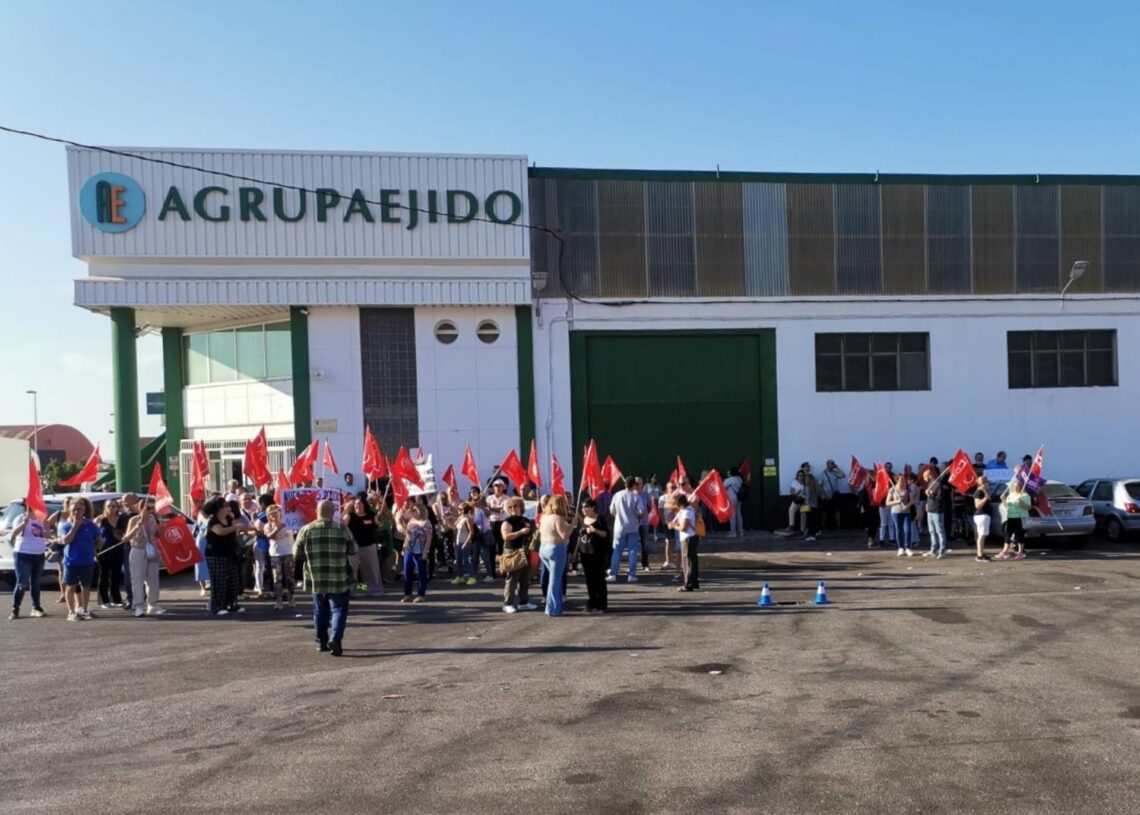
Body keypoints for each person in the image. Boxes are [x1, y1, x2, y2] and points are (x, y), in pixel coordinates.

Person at [294, 499, 357, 656]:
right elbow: (354, 549)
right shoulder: (342, 529)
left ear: (317, 511)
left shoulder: (306, 530)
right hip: (339, 577)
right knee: (339, 609)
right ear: (334, 512)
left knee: (319, 612)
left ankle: (321, 642)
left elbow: (296, 554)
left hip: (316, 578)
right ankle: (335, 638)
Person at [59, 497, 99, 622]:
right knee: (70, 586)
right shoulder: (66, 525)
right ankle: (71, 612)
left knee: (86, 586)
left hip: (87, 561)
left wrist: (95, 547)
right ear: (70, 508)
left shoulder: (90, 524)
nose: (78, 509)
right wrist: (75, 526)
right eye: (75, 506)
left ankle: (84, 609)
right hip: (71, 561)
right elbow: (65, 541)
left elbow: (98, 540)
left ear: (85, 508)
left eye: (81, 505)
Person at [204, 498, 245, 616]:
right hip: (215, 554)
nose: (229, 508)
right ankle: (217, 606)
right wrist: (236, 527)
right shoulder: (213, 520)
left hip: (230, 553)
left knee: (233, 579)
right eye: (226, 506)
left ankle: (231, 604)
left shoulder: (229, 518)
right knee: (219, 580)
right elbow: (220, 531)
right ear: (220, 508)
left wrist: (240, 528)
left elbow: (236, 529)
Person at [125, 500, 166, 617]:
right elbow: (126, 538)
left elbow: (156, 535)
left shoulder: (153, 519)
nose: (150, 510)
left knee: (153, 579)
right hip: (138, 549)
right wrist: (138, 526)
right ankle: (138, 606)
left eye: (152, 508)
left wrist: (160, 531)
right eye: (147, 508)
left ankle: (153, 604)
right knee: (137, 579)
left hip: (151, 550)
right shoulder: (134, 520)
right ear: (140, 508)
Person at [538, 494, 573, 617]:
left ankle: (555, 606)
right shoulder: (558, 518)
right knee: (555, 580)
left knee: (554, 579)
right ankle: (553, 609)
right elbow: (564, 535)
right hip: (556, 549)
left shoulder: (545, 517)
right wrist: (572, 525)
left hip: (544, 548)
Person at [9, 510, 48, 619]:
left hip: (39, 554)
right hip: (23, 554)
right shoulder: (21, 517)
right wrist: (24, 523)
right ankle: (15, 608)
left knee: (35, 583)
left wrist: (46, 524)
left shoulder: (41, 518)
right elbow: (13, 534)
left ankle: (36, 607)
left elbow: (47, 535)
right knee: (22, 583)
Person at [500, 497, 536, 613]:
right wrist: (520, 532)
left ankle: (523, 602)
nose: (512, 509)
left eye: (515, 506)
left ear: (521, 507)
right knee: (512, 579)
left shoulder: (525, 519)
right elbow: (506, 536)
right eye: (510, 507)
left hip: (524, 550)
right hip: (512, 551)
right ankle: (507, 603)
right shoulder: (508, 521)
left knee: (524, 578)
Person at [344, 492, 383, 597]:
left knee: (372, 568)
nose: (358, 506)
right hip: (353, 547)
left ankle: (375, 589)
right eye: (356, 504)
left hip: (369, 546)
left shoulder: (371, 514)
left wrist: (379, 518)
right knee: (352, 569)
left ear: (364, 505)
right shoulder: (350, 516)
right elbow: (342, 526)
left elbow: (379, 523)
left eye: (360, 504)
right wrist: (344, 511)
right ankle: (351, 590)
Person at [607, 477, 644, 583]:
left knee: (617, 550)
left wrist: (618, 517)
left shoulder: (617, 495)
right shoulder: (636, 496)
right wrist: (636, 516)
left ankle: (613, 574)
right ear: (634, 485)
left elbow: (611, 510)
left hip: (619, 526)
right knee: (632, 551)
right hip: (633, 526)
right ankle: (631, 575)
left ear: (625, 484)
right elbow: (641, 512)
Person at [577, 498, 611, 612]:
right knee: (589, 579)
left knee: (599, 578)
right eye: (582, 507)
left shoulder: (600, 519)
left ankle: (602, 603)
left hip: (598, 553)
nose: (584, 509)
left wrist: (595, 531)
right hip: (585, 553)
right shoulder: (582, 520)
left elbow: (605, 534)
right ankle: (592, 602)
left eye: (586, 507)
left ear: (592, 507)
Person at [397, 503, 432, 603]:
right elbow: (408, 534)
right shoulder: (412, 521)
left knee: (421, 573)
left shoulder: (426, 523)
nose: (412, 512)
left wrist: (426, 551)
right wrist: (404, 546)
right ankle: (408, 594)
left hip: (420, 551)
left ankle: (421, 594)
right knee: (407, 572)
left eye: (414, 510)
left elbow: (429, 538)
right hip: (409, 550)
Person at [263, 505, 296, 610]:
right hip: (275, 554)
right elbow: (269, 536)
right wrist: (277, 527)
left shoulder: (289, 523)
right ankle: (279, 601)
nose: (274, 514)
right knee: (277, 578)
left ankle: (291, 598)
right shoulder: (268, 526)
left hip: (289, 553)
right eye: (271, 513)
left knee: (290, 578)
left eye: (276, 512)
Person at [95, 499, 126, 609]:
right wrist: (95, 549)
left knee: (116, 575)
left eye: (114, 506)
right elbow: (94, 535)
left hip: (118, 550)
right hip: (104, 551)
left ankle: (116, 599)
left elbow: (125, 532)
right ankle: (104, 600)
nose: (112, 508)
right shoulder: (100, 519)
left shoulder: (121, 519)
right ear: (105, 507)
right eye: (109, 506)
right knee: (104, 575)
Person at [670, 493, 700, 591]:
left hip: (687, 538)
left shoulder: (686, 512)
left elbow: (683, 527)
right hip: (691, 537)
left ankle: (688, 584)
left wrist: (673, 526)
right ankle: (694, 582)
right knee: (692, 561)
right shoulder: (689, 509)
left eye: (675, 503)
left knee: (687, 562)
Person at [997, 479, 1030, 561]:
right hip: (1010, 517)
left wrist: (1021, 503)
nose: (1015, 488)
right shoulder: (1011, 495)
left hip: (1020, 517)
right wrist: (1003, 499)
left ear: (1021, 487)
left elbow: (1028, 507)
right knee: (1007, 534)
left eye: (1017, 486)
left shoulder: (1025, 495)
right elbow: (1007, 506)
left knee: (1019, 535)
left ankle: (1020, 552)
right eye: (1014, 486)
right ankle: (1005, 551)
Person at [923, 470, 950, 559]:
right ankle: (933, 549)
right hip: (930, 510)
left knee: (940, 531)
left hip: (937, 510)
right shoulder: (930, 484)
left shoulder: (938, 485)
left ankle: (942, 550)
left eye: (925, 476)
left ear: (929, 475)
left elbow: (940, 498)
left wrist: (931, 495)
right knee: (932, 531)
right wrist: (927, 504)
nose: (924, 478)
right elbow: (928, 497)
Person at [887, 473, 915, 556]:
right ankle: (901, 548)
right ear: (897, 480)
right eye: (901, 479)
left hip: (906, 512)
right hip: (896, 512)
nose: (903, 481)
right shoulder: (892, 489)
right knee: (898, 530)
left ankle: (908, 548)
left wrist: (908, 505)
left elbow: (912, 500)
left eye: (904, 479)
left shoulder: (908, 488)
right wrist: (896, 502)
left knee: (908, 530)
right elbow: (887, 502)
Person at [452, 502, 478, 586]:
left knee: (466, 560)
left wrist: (466, 542)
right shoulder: (460, 518)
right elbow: (453, 527)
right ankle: (460, 576)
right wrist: (444, 518)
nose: (458, 510)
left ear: (464, 510)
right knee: (458, 560)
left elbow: (471, 532)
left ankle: (472, 577)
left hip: (465, 542)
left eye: (459, 509)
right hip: (458, 542)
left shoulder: (468, 519)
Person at [819, 460, 847, 530]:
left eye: (833, 463)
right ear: (827, 464)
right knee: (824, 511)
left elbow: (843, 475)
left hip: (835, 494)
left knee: (837, 510)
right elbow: (819, 485)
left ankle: (838, 526)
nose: (833, 465)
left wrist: (837, 467)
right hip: (826, 495)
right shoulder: (823, 474)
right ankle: (823, 526)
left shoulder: (835, 473)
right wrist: (824, 494)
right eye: (831, 463)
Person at [973, 476, 992, 562]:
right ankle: (979, 555)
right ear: (983, 483)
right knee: (981, 535)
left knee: (983, 535)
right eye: (987, 482)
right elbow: (977, 505)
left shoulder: (983, 491)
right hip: (981, 515)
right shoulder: (978, 492)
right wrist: (985, 498)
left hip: (985, 515)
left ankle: (981, 553)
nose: (988, 484)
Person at [723, 467, 744, 538]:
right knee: (739, 515)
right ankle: (740, 531)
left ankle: (733, 532)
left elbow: (722, 486)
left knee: (732, 516)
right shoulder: (740, 479)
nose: (728, 473)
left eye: (728, 472)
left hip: (731, 498)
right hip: (739, 498)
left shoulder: (729, 480)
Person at [857, 483, 879, 549]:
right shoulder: (867, 487)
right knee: (871, 524)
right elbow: (863, 498)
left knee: (874, 524)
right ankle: (870, 540)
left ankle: (872, 539)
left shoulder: (872, 485)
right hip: (870, 507)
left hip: (874, 507)